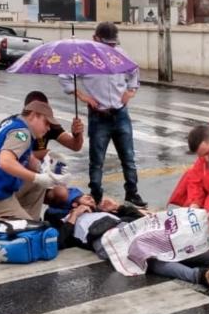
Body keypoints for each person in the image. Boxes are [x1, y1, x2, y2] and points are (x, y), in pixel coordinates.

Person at [44, 189, 209, 288]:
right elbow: (60, 243)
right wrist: (74, 217)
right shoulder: (65, 220)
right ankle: (198, 276)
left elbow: (138, 219)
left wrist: (119, 207)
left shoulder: (101, 210)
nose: (89, 196)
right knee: (151, 257)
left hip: (126, 228)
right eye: (82, 196)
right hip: (108, 240)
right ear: (72, 204)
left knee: (176, 244)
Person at [59, 22, 147, 208]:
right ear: (95, 39)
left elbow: (134, 73)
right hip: (99, 116)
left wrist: (130, 92)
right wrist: (83, 96)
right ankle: (96, 195)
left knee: (128, 158)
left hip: (120, 113)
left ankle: (132, 193)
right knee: (97, 160)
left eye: (112, 45)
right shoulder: (84, 58)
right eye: (106, 44)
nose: (110, 48)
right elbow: (65, 77)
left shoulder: (120, 54)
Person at [0, 101, 69, 221]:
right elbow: (5, 162)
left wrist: (44, 169)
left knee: (38, 185)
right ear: (34, 115)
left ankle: (29, 218)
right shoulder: (22, 133)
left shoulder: (14, 123)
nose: (48, 128)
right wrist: (37, 177)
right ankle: (29, 224)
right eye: (46, 122)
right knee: (33, 232)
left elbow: (26, 156)